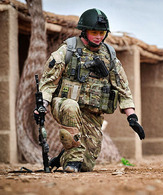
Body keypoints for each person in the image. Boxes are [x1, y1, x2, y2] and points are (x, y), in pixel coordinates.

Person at [34, 8, 145, 173]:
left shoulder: (109, 56)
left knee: (86, 165)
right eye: (94, 32)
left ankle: (63, 157)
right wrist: (42, 105)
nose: (98, 36)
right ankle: (71, 160)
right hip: (65, 105)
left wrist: (132, 117)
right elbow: (48, 82)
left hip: (92, 115)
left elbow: (123, 88)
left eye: (102, 32)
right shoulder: (68, 50)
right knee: (71, 106)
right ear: (84, 32)